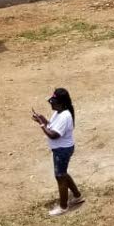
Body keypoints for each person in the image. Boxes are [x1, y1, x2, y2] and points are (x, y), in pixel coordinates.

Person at [32, 88, 84, 216]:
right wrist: (44, 120)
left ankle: (63, 206)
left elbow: (54, 135)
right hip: (61, 149)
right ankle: (77, 196)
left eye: (54, 101)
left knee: (60, 177)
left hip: (62, 151)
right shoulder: (58, 112)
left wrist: (41, 125)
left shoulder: (65, 116)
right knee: (63, 174)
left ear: (61, 103)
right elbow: (53, 126)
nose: (51, 103)